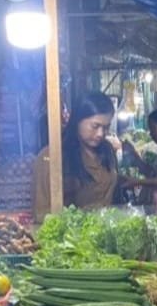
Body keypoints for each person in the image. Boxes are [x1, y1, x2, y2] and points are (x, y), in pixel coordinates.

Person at [33, 93, 119, 222]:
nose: (101, 134)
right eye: (95, 126)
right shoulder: (51, 157)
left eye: (106, 127)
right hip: (71, 239)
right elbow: (41, 212)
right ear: (77, 120)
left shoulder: (107, 151)